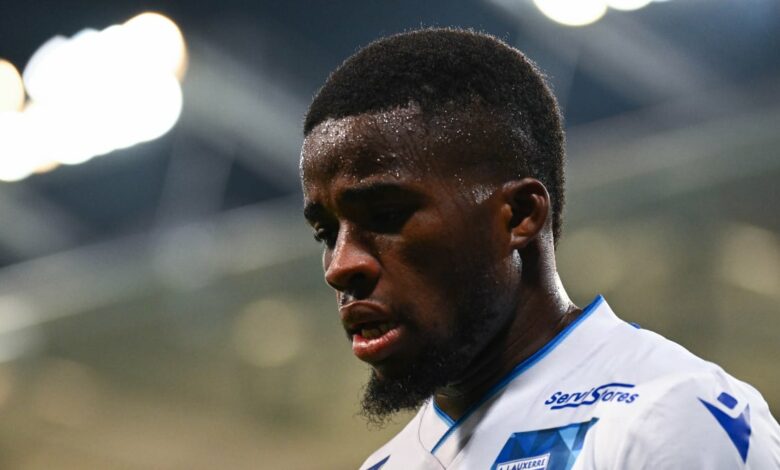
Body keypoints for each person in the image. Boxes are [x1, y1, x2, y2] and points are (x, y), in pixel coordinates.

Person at [299, 28, 780, 469]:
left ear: (519, 216)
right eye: (327, 233)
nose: (340, 266)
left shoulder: (667, 420)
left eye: (386, 216)